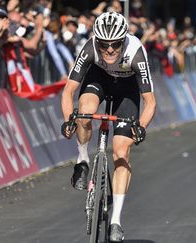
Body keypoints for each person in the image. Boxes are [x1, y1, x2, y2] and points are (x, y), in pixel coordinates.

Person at [60, 12, 156, 242]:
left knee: (121, 151)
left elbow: (150, 102)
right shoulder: (90, 48)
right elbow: (68, 91)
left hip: (127, 91)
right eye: (105, 45)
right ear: (97, 40)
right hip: (98, 79)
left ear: (124, 40)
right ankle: (82, 159)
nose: (110, 50)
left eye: (115, 45)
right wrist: (68, 120)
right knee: (84, 113)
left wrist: (141, 126)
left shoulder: (136, 53)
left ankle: (116, 221)